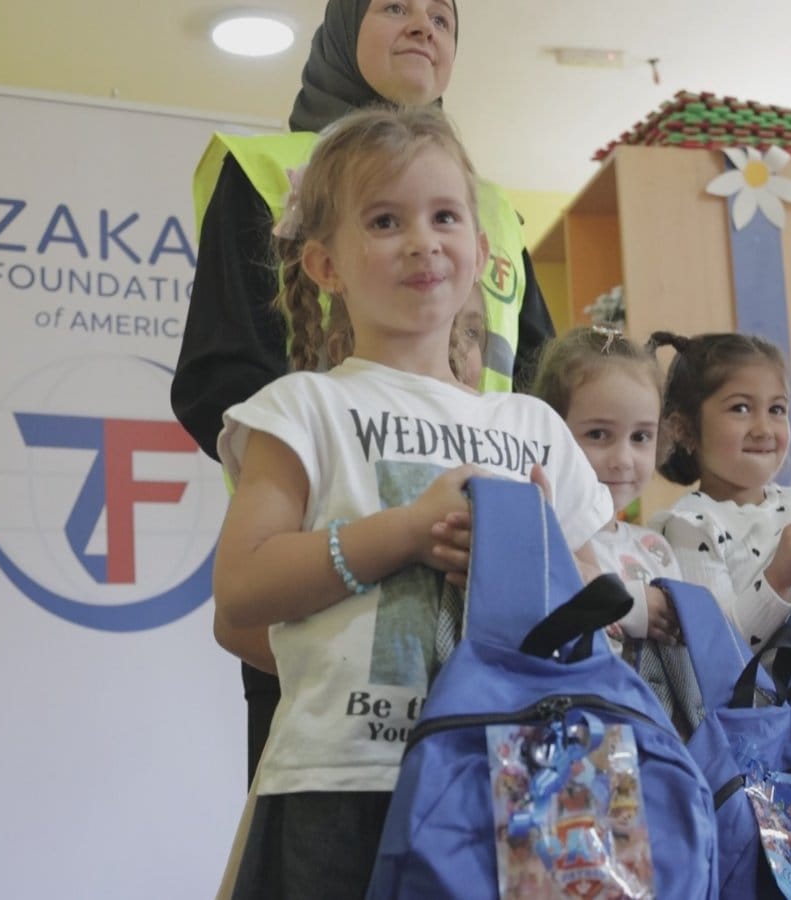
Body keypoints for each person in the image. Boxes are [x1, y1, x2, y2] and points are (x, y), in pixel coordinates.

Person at [209, 107, 611, 897]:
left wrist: (533, 566)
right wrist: (406, 532)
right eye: (386, 220)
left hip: (529, 771)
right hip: (346, 779)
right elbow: (242, 590)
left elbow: (604, 611)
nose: (423, 240)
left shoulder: (531, 423)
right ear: (325, 265)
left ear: (482, 255)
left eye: (445, 216)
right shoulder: (298, 408)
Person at [172, 0, 557, 783]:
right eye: (396, 7)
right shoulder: (263, 171)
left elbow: (545, 380)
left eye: (444, 18)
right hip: (324, 589)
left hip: (490, 607)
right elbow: (221, 374)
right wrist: (355, 493)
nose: (425, 26)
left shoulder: (499, 218)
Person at [646, 331, 791, 649]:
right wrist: (776, 579)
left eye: (776, 410)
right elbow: (718, 648)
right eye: (741, 409)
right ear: (685, 429)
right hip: (767, 699)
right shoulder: (691, 526)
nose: (763, 429)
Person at [531, 326, 682, 648]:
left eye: (640, 437)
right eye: (598, 434)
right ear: (551, 434)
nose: (623, 460)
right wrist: (631, 606)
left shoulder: (657, 548)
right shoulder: (548, 543)